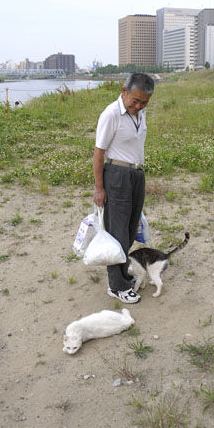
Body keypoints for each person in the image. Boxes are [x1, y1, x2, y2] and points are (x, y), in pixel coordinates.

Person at [93, 73, 155, 304]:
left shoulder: (140, 113)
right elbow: (98, 153)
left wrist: (138, 174)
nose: (138, 106)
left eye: (144, 102)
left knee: (130, 228)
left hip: (136, 174)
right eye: (135, 101)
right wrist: (100, 189)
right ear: (124, 91)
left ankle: (122, 274)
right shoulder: (111, 114)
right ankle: (116, 286)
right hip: (117, 175)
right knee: (117, 231)